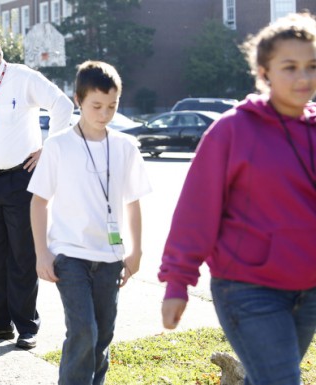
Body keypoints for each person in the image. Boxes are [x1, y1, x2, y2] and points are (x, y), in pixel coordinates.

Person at [159, 12, 316, 385]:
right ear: (264, 72)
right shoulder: (231, 131)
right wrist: (178, 283)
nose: (303, 77)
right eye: (289, 67)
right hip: (247, 287)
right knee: (280, 380)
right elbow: (196, 212)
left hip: (309, 290)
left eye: (311, 66)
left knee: (267, 377)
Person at [29, 61, 151, 384]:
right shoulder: (57, 146)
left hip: (110, 259)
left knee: (102, 334)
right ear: (78, 100)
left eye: (112, 106)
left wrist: (136, 250)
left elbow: (133, 201)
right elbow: (38, 202)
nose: (104, 113)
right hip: (70, 257)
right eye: (96, 105)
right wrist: (42, 253)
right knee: (83, 330)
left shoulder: (125, 147)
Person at [0, 30, 74, 349]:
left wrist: (49, 148)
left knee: (22, 254)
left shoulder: (23, 78)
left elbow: (62, 106)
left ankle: (26, 326)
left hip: (19, 179)